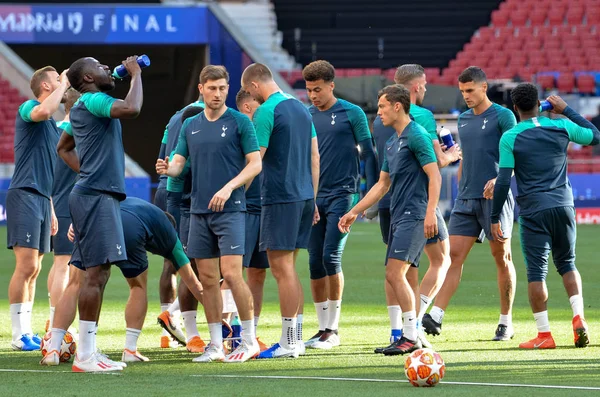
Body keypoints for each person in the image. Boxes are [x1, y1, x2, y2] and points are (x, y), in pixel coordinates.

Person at [157, 65, 261, 363]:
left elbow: (255, 164)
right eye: (212, 88)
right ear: (201, 89)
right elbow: (178, 163)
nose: (218, 94)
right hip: (198, 210)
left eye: (222, 88)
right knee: (207, 277)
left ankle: (249, 340)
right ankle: (215, 344)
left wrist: (229, 188)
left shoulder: (240, 122)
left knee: (231, 274)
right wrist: (169, 168)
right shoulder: (191, 126)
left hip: (230, 210)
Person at [491, 85, 599, 349]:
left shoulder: (510, 137)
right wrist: (566, 110)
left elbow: (504, 180)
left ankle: (544, 334)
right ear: (539, 104)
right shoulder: (562, 126)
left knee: (537, 273)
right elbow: (595, 136)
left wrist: (495, 216)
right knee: (567, 264)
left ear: (515, 108)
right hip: (564, 205)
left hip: (533, 211)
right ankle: (578, 317)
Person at [40, 197, 206, 368]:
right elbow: (194, 284)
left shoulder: (139, 205)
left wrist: (78, 223)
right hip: (130, 227)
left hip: (94, 221)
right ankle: (130, 350)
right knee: (138, 286)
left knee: (74, 284)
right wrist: (215, 316)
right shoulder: (170, 236)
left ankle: (53, 349)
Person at [339, 84, 442, 355]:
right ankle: (409, 334)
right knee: (400, 276)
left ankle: (411, 335)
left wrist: (431, 212)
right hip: (398, 215)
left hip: (414, 214)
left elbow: (435, 176)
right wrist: (353, 210)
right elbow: (381, 185)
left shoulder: (417, 136)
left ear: (397, 106)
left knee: (394, 274)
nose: (379, 111)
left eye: (382, 106)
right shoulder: (392, 142)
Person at [58, 55, 143, 372]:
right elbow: (132, 109)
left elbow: (63, 148)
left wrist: (87, 173)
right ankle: (84, 356)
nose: (108, 68)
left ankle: (89, 351)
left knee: (99, 273)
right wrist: (135, 75)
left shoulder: (82, 106)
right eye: (100, 66)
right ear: (88, 79)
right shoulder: (94, 100)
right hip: (95, 197)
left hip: (93, 193)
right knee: (95, 275)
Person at [423, 66, 518, 341]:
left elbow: (515, 154)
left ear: (484, 87)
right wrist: (459, 190)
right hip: (466, 199)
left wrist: (500, 181)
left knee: (502, 257)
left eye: (470, 90)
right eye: (462, 91)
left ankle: (505, 321)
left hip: (495, 198)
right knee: (453, 257)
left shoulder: (504, 116)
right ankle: (436, 315)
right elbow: (465, 157)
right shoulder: (463, 119)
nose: (465, 96)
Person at [371, 64, 460, 352]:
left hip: (390, 202)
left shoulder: (378, 123)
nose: (424, 89)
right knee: (435, 261)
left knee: (399, 267)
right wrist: (452, 155)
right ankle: (415, 325)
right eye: (422, 85)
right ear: (411, 90)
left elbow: (387, 170)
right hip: (418, 203)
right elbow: (434, 165)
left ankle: (399, 330)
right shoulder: (420, 118)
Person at [241, 63, 319, 359]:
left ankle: (290, 343)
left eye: (249, 91)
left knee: (281, 270)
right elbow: (314, 157)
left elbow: (255, 162)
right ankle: (294, 338)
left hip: (279, 197)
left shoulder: (265, 111)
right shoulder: (301, 108)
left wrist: (235, 194)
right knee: (290, 270)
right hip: (302, 197)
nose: (250, 96)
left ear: (255, 86)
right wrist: (312, 198)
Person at [302, 60, 378, 349]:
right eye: (309, 90)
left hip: (343, 195)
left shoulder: (352, 113)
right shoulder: (306, 115)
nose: (313, 95)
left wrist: (370, 195)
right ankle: (321, 328)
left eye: (318, 89)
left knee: (330, 258)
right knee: (313, 262)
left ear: (331, 85)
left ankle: (333, 329)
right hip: (314, 198)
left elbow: (369, 154)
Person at [7, 66, 70, 351]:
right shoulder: (30, 107)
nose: (61, 82)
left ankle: (27, 331)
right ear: (46, 85)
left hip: (42, 198)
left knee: (36, 268)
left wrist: (52, 207)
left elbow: (48, 171)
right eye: (57, 79)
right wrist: (65, 83)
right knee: (27, 265)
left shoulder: (49, 126)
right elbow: (44, 110)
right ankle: (17, 334)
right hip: (25, 194)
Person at [156, 82, 205, 351]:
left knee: (170, 263)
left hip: (165, 191)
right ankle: (178, 320)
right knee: (194, 262)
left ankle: (167, 333)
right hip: (185, 194)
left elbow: (162, 154)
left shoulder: (175, 116)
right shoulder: (203, 117)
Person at [235, 89, 268, 351]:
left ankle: (250, 332)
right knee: (232, 274)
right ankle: (232, 331)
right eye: (261, 105)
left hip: (265, 208)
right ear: (248, 107)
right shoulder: (238, 130)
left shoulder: (264, 130)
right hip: (243, 209)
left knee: (258, 273)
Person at [46, 88, 80, 332]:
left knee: (57, 263)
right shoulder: (77, 134)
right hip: (67, 204)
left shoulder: (51, 131)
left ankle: (52, 318)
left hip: (51, 202)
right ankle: (60, 328)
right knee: (64, 264)